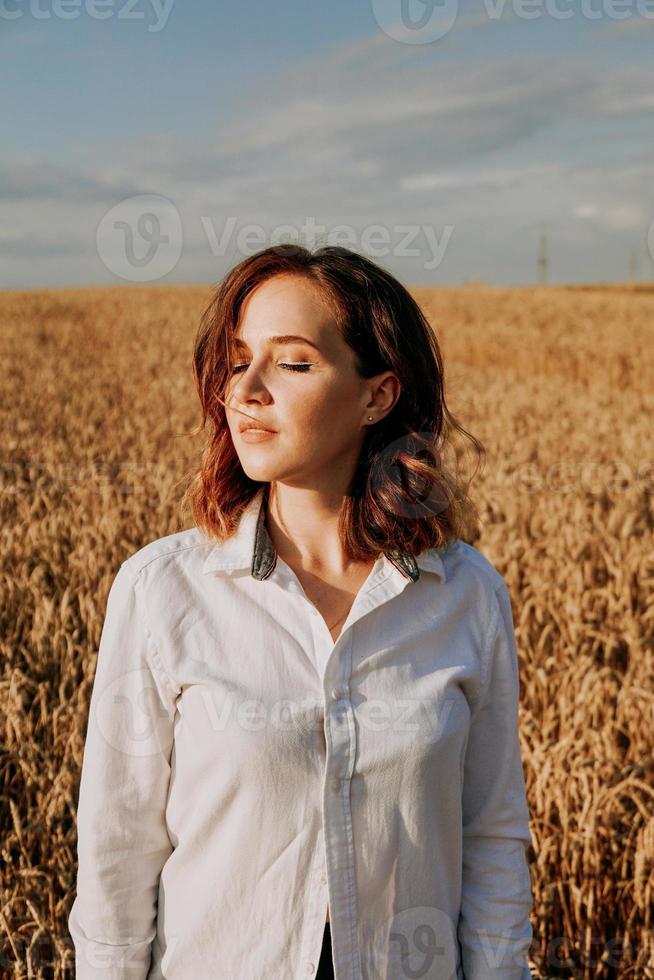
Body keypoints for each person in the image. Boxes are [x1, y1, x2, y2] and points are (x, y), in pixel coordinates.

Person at [68, 244, 535, 979]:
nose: (248, 389)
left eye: (292, 363)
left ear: (377, 395)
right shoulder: (164, 590)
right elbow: (116, 848)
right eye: (237, 359)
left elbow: (492, 837)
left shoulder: (466, 597)